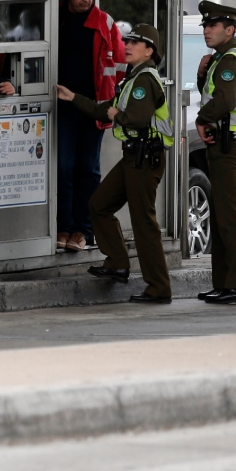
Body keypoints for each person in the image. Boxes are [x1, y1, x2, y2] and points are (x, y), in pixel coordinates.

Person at [56, 24, 173, 304]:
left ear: (150, 51)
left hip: (146, 158)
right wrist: (73, 98)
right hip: (134, 156)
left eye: (136, 42)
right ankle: (118, 262)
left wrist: (117, 114)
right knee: (99, 204)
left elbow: (136, 118)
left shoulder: (145, 80)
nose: (128, 45)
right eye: (128, 40)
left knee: (144, 223)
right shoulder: (133, 78)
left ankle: (158, 287)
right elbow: (105, 107)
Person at [55, 0, 126, 253]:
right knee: (64, 168)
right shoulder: (54, 20)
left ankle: (83, 232)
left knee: (88, 169)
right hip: (62, 107)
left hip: (94, 109)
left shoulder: (105, 23)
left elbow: (120, 66)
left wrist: (107, 100)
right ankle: (63, 227)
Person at [194, 0, 236, 306]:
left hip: (230, 144)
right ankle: (224, 283)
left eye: (212, 26)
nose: (206, 31)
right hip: (223, 143)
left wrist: (201, 118)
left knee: (232, 218)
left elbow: (224, 100)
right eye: (205, 26)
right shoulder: (221, 59)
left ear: (229, 29)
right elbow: (213, 94)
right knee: (222, 218)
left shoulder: (231, 59)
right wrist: (201, 75)